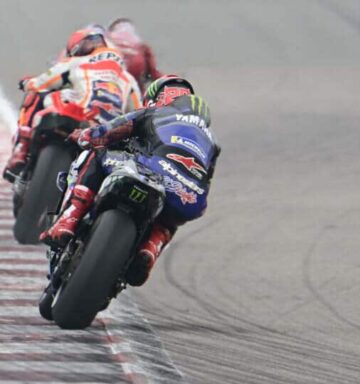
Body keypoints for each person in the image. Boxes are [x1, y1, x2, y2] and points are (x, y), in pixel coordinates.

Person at [40, 75, 220, 286]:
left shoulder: (155, 113)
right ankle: (150, 248)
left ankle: (69, 219)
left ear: (157, 98)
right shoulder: (213, 142)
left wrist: (84, 136)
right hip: (190, 197)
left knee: (95, 153)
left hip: (150, 170)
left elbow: (108, 131)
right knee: (170, 217)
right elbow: (206, 179)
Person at [3, 26, 141, 181]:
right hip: (109, 132)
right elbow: (139, 112)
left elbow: (40, 83)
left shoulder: (77, 62)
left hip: (80, 114)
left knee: (34, 94)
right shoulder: (129, 79)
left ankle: (21, 150)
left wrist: (26, 83)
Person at [107, 18, 162, 92]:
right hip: (136, 62)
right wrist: (154, 74)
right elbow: (150, 62)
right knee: (138, 85)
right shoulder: (137, 41)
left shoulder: (109, 39)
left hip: (118, 66)